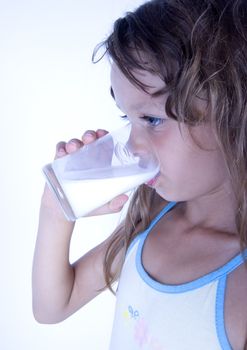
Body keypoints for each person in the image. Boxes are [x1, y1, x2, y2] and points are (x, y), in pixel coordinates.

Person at [32, 0, 247, 349]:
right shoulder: (148, 220)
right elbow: (53, 306)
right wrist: (57, 210)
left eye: (152, 120)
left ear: (234, 113)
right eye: (126, 118)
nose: (131, 146)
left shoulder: (239, 288)